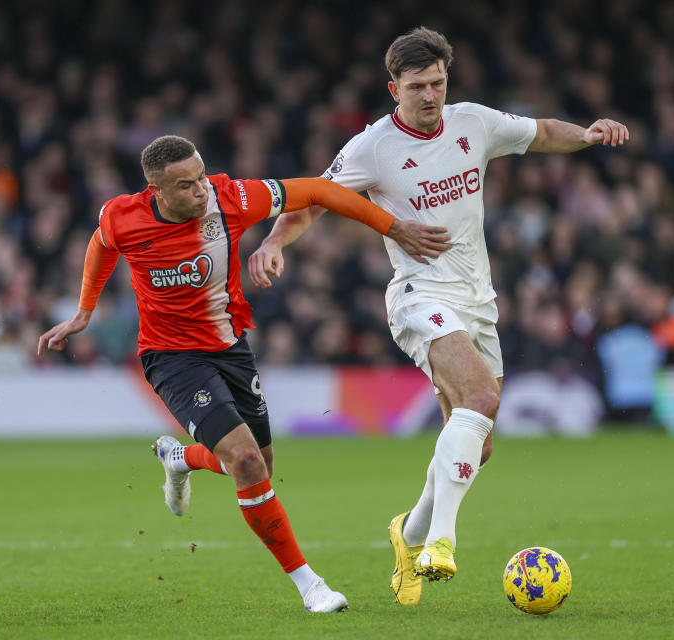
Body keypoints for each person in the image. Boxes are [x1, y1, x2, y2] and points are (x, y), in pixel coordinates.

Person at [247, 27, 629, 605]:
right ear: (393, 87)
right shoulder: (372, 147)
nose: (431, 96)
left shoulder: (472, 121)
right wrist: (276, 242)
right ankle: (442, 543)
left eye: (439, 83)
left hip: (478, 300)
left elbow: (544, 132)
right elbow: (315, 199)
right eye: (418, 86)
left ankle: (412, 530)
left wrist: (590, 133)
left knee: (480, 442)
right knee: (481, 400)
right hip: (419, 295)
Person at [37, 135, 451, 613]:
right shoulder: (122, 216)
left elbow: (319, 190)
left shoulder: (229, 197)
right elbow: (101, 244)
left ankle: (182, 458)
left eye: (201, 177)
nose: (200, 191)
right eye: (186, 186)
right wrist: (84, 310)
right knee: (248, 463)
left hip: (231, 348)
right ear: (156, 189)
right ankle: (310, 585)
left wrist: (394, 227)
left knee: (260, 465)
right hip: (171, 358)